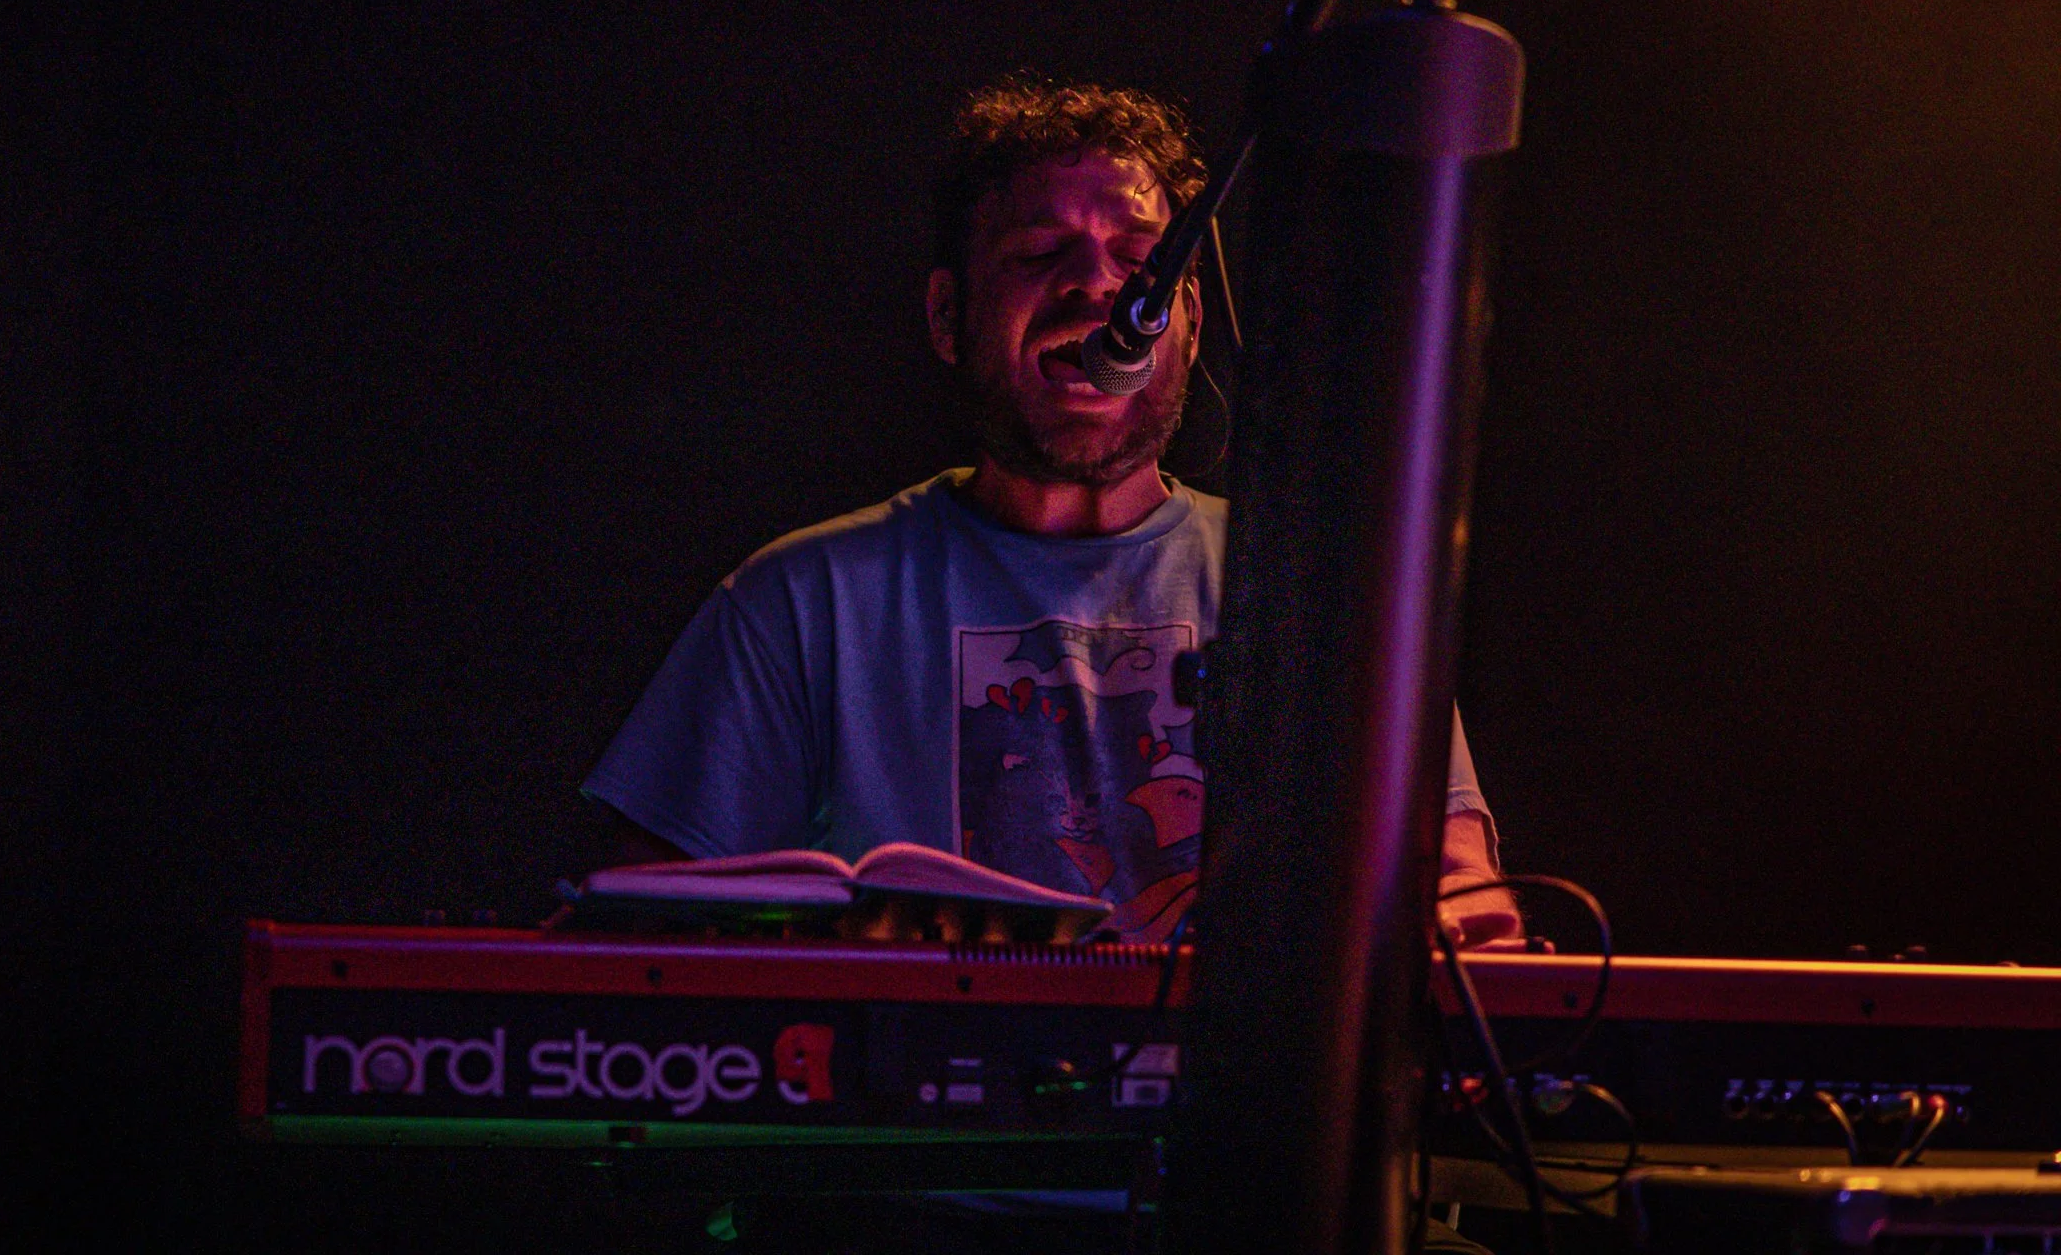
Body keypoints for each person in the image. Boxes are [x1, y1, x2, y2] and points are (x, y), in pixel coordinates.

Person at [584, 79, 1519, 950]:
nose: (1096, 286)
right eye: (1039, 255)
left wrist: (1455, 925)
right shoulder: (800, 601)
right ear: (948, 317)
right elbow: (640, 948)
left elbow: (1460, 891)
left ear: (1190, 325)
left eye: (1141, 262)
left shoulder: (1317, 594)